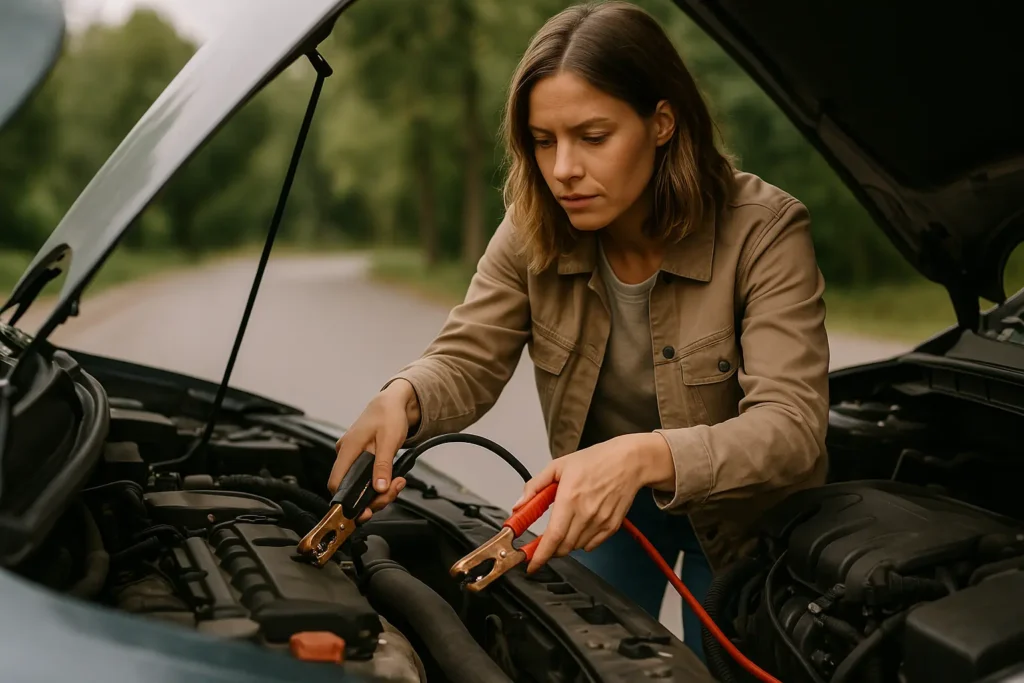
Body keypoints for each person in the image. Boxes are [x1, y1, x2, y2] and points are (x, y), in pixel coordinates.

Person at [328, 0, 830, 662]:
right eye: (544, 141)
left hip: (741, 516)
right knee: (582, 661)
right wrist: (404, 397)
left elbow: (792, 427)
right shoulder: (531, 224)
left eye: (593, 137)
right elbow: (468, 357)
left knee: (719, 666)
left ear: (662, 122)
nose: (563, 168)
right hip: (604, 503)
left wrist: (641, 455)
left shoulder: (765, 231)